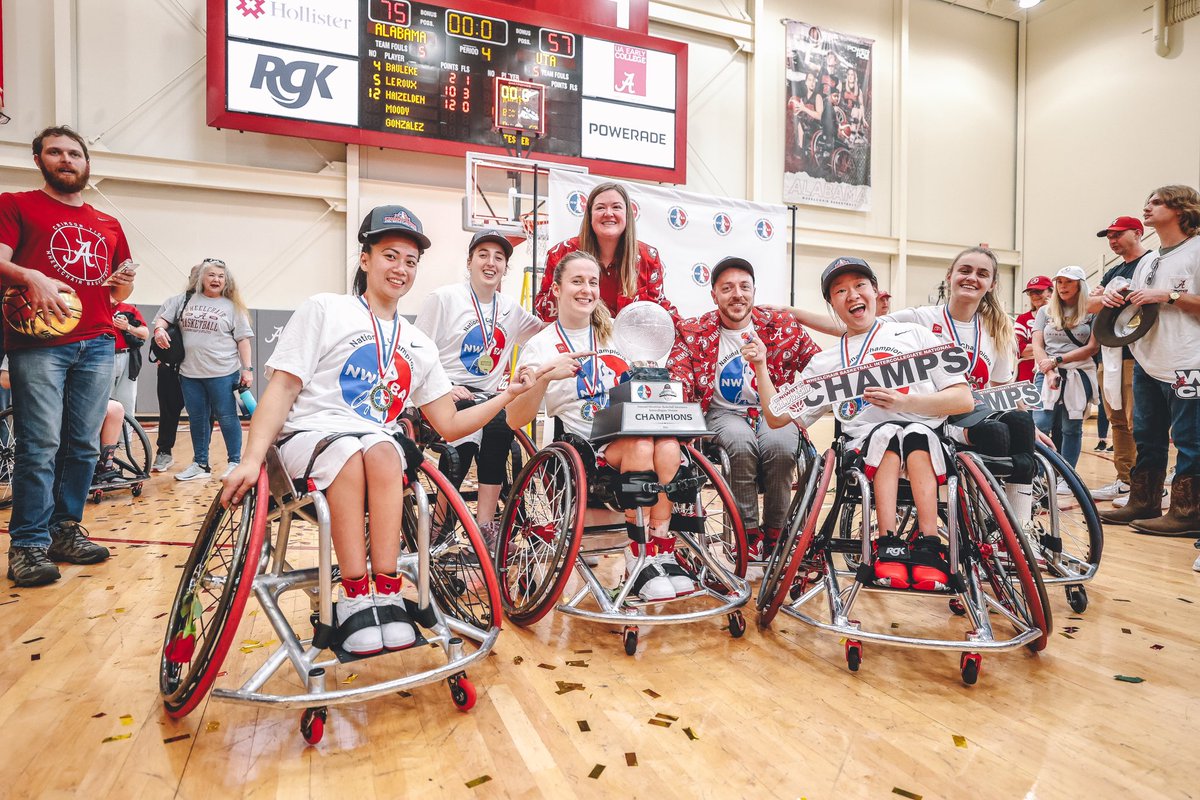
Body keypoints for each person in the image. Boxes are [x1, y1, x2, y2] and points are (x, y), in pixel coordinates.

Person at [222, 206, 535, 655]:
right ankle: (353, 596)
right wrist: (251, 459)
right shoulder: (325, 309)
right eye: (391, 256)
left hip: (373, 447)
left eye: (410, 262)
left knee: (387, 448)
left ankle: (386, 591)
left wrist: (506, 395)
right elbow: (283, 387)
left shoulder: (418, 344)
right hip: (309, 437)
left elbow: (448, 424)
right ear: (365, 259)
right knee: (355, 450)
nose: (401, 269)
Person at [790, 248, 1041, 532]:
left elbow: (1002, 387)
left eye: (982, 273)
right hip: (935, 414)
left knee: (1020, 423)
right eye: (965, 270)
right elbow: (857, 328)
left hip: (962, 405)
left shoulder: (998, 328)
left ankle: (1019, 526)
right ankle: (983, 521)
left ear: (993, 283)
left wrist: (1029, 426)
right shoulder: (917, 321)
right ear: (949, 276)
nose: (972, 278)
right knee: (988, 433)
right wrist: (793, 314)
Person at [763, 257, 973, 587]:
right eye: (840, 290)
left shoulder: (914, 334)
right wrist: (761, 365)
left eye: (860, 285)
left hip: (926, 439)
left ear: (875, 291)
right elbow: (777, 418)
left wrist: (907, 402)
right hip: (866, 450)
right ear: (831, 303)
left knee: (915, 432)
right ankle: (887, 543)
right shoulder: (825, 363)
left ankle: (930, 545)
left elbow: (963, 398)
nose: (852, 295)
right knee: (888, 433)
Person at [510, 251, 694, 602]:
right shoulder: (541, 345)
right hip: (584, 445)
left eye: (592, 282)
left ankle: (661, 550)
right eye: (577, 281)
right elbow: (515, 418)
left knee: (669, 446)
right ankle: (636, 553)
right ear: (556, 289)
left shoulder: (618, 337)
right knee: (642, 446)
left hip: (632, 427)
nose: (586, 289)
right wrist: (545, 378)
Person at [0, 125, 136, 587]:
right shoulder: (16, 204)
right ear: (38, 159)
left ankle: (63, 529)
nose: (66, 159)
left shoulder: (108, 223)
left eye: (74, 154)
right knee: (40, 447)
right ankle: (28, 544)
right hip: (39, 343)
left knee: (83, 445)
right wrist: (29, 275)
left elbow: (119, 290)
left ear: (86, 164)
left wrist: (124, 281)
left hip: (98, 340)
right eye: (55, 152)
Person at [666, 256, 820, 560]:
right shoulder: (692, 332)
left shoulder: (781, 326)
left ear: (753, 291)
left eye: (744, 287)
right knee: (740, 443)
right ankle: (746, 533)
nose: (737, 294)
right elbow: (677, 377)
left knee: (781, 444)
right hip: (722, 412)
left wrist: (800, 400)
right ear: (714, 296)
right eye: (727, 288)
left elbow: (818, 366)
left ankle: (777, 532)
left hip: (772, 408)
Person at [415, 229, 545, 546]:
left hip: (488, 400)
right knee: (469, 434)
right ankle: (439, 524)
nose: (490, 263)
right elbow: (415, 351)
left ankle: (485, 525)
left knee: (502, 422)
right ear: (470, 261)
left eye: (498, 258)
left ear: (505, 268)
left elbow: (545, 333)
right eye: (483, 255)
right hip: (442, 395)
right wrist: (443, 388)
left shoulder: (511, 310)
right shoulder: (444, 299)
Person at [1098, 186, 1200, 550]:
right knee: (1147, 435)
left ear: (1181, 208)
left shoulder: (1197, 250)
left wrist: (1169, 296)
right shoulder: (1150, 259)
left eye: (1156, 202)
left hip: (1190, 362)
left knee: (1190, 441)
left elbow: (1174, 299)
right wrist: (1114, 297)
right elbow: (1132, 304)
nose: (1147, 206)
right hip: (1148, 359)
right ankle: (1144, 500)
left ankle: (1188, 511)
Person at [153, 259, 253, 481]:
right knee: (197, 418)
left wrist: (248, 369)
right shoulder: (184, 300)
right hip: (190, 373)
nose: (216, 279)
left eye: (220, 276)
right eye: (211, 275)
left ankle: (234, 462)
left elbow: (243, 340)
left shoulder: (232, 306)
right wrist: (159, 330)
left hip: (223, 373)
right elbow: (162, 318)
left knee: (227, 417)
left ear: (226, 281)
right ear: (201, 278)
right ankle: (200, 464)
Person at [534, 182, 678, 324]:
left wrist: (695, 330)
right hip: (577, 344)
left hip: (628, 346)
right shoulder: (561, 253)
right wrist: (569, 294)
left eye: (616, 207)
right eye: (600, 207)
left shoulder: (648, 256)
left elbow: (660, 311)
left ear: (627, 214)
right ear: (590, 215)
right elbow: (542, 310)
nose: (608, 213)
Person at [1087, 215, 1153, 504]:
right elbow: (1089, 304)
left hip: (1137, 355)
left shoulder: (1151, 264)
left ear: (1138, 233)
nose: (1112, 241)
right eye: (1109, 237)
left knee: (1137, 421)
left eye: (1118, 235)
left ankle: (1147, 484)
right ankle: (1125, 480)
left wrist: (1115, 297)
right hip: (1110, 355)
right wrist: (1104, 298)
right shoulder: (1113, 271)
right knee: (1117, 420)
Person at [1030, 266, 1099, 486]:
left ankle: (1067, 478)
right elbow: (1037, 345)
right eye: (1059, 282)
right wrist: (1049, 369)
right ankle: (1037, 476)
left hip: (1079, 372)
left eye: (1068, 282)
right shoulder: (1045, 311)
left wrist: (1058, 361)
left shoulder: (1092, 311)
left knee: (1072, 427)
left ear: (1080, 284)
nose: (1063, 287)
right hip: (1046, 370)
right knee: (1040, 423)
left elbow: (1092, 348)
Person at [151, 263, 204, 472]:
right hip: (172, 368)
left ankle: (202, 457)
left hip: (202, 370)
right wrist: (160, 347)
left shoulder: (222, 305)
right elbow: (160, 325)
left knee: (203, 415)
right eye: (197, 275)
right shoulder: (175, 301)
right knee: (168, 412)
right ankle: (164, 452)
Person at [110, 298, 148, 415]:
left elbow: (145, 333)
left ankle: (127, 432)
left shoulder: (129, 309)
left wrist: (127, 327)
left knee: (127, 400)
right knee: (103, 400)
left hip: (126, 356)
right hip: (103, 356)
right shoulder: (97, 307)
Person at [1014, 276, 1052, 384]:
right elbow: (1020, 349)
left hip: (1056, 374)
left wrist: (1035, 348)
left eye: (1038, 291)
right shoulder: (1023, 319)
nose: (1034, 295)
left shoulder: (1063, 317)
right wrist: (1051, 347)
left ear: (1051, 292)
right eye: (1031, 292)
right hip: (1027, 377)